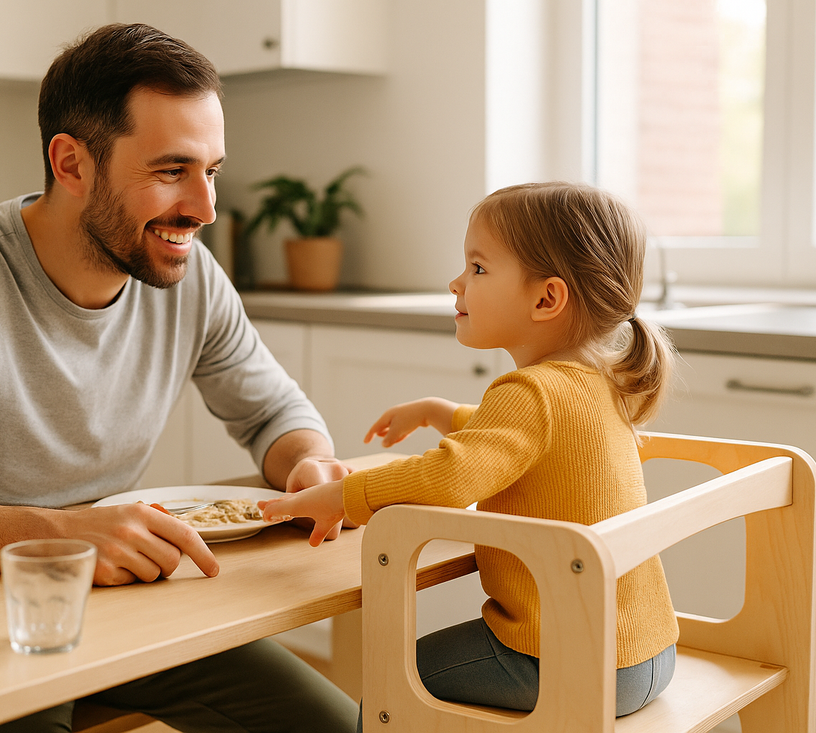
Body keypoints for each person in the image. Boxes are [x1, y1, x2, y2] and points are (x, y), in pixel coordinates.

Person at [0, 23, 357, 733]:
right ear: (71, 164)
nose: (205, 208)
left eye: (211, 170)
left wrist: (308, 463)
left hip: (124, 593)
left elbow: (272, 410)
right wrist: (67, 536)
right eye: (170, 170)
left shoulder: (187, 275)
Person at [260, 181, 680, 721]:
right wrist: (444, 412)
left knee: (392, 689)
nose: (456, 282)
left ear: (546, 298)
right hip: (647, 653)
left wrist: (343, 495)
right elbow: (520, 444)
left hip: (561, 658)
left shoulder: (530, 391)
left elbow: (450, 479)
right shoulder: (593, 382)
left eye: (478, 268)